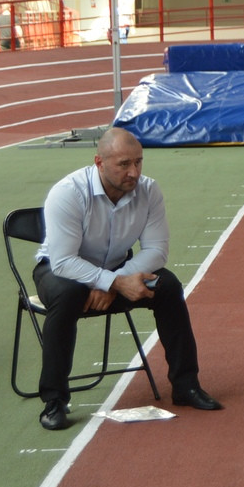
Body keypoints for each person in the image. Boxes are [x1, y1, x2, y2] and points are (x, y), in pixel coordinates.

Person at [33, 128, 222, 431]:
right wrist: (112, 282)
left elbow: (157, 251)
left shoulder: (149, 191)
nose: (133, 172)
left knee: (168, 286)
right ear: (99, 162)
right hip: (61, 273)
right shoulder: (68, 192)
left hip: (119, 271)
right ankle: (54, 401)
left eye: (138, 162)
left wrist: (116, 280)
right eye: (123, 164)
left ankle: (186, 386)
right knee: (68, 297)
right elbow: (64, 261)